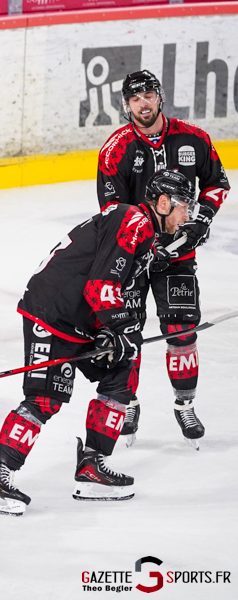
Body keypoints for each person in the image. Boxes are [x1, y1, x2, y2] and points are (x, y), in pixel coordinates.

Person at [0, 169, 195, 517]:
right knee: (46, 399)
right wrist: (118, 328)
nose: (187, 216)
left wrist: (121, 331)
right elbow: (101, 288)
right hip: (52, 315)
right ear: (163, 203)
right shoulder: (134, 220)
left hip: (81, 320)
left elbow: (115, 276)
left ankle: (92, 466)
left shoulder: (143, 230)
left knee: (125, 367)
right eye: (184, 207)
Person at [97, 70, 230, 448]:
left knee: (182, 332)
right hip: (133, 260)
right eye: (135, 98)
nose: (143, 103)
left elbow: (218, 183)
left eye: (148, 95)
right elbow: (112, 214)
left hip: (178, 255)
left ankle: (185, 405)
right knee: (127, 336)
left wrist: (200, 220)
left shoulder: (193, 138)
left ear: (160, 96)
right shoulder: (116, 151)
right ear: (126, 105)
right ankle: (129, 403)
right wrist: (140, 250)